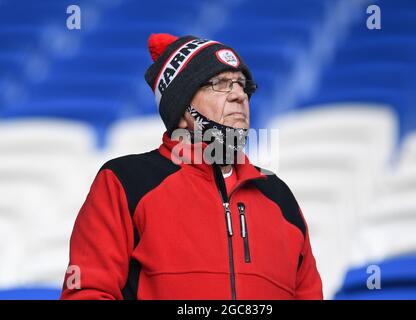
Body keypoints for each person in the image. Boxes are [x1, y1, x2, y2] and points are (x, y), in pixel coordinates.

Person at [60, 33, 323, 300]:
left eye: (243, 85)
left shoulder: (279, 197)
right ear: (183, 109)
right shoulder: (126, 182)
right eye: (220, 84)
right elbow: (88, 292)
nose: (239, 96)